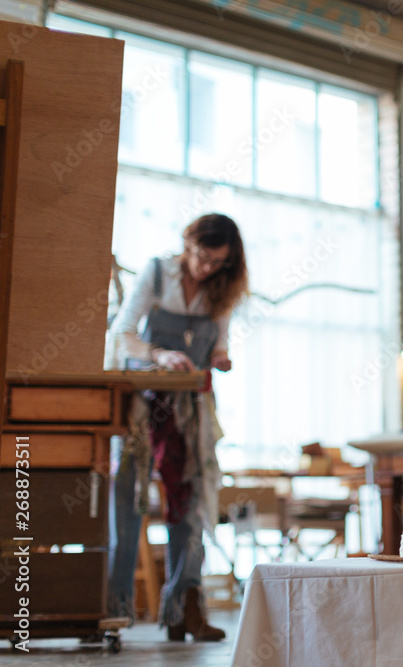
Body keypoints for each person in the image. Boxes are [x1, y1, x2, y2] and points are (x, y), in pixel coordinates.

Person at [107, 213, 249, 640]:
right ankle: (112, 610)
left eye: (217, 262)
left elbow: (220, 341)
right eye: (202, 257)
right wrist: (158, 354)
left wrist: (220, 356)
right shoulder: (157, 272)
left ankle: (184, 607)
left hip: (190, 407)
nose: (207, 268)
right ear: (188, 243)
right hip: (143, 404)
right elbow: (122, 333)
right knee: (127, 502)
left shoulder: (223, 286)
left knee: (191, 502)